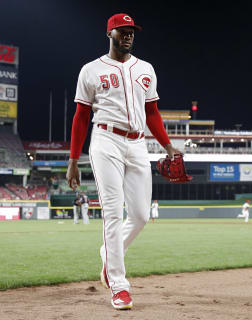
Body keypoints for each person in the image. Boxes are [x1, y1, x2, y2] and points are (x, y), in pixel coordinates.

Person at [66, 13, 180, 310]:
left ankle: (109, 253)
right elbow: (81, 117)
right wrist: (73, 159)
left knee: (141, 215)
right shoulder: (91, 70)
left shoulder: (146, 69)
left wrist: (168, 147)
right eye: (123, 31)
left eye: (132, 31)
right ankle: (119, 284)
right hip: (106, 141)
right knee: (113, 214)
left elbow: (152, 113)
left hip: (138, 143)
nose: (128, 35)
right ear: (110, 34)